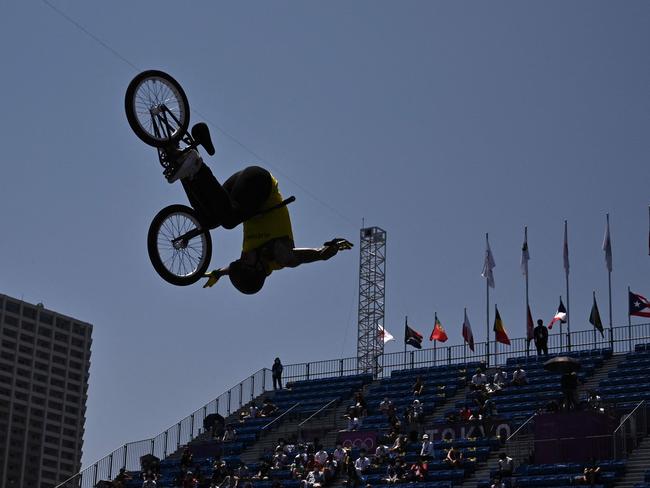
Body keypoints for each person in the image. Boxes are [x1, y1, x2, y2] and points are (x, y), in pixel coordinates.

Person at [175, 162, 353, 294]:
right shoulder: (279, 256)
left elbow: (232, 268)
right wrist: (327, 250)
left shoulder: (251, 259)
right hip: (260, 183)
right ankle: (197, 166)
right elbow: (306, 256)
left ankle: (182, 167)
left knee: (208, 220)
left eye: (239, 259)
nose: (242, 255)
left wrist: (218, 273)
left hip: (241, 190)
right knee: (228, 221)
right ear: (259, 267)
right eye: (244, 261)